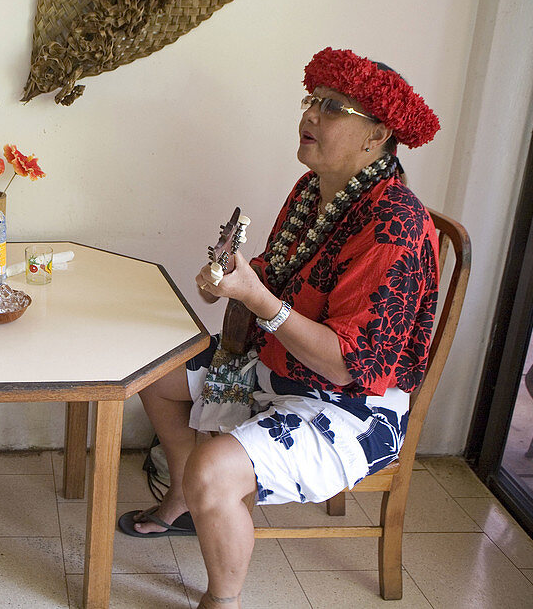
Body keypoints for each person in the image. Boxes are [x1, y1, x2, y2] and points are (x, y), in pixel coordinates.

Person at [118, 47, 442, 609]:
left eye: (333, 108)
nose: (311, 115)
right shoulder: (313, 189)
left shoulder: (394, 222)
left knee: (215, 471)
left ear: (377, 135)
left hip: (348, 407)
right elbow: (273, 274)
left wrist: (256, 297)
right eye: (312, 100)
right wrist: (228, 279)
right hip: (275, 368)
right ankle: (181, 500)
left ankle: (223, 598)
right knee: (155, 373)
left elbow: (349, 363)